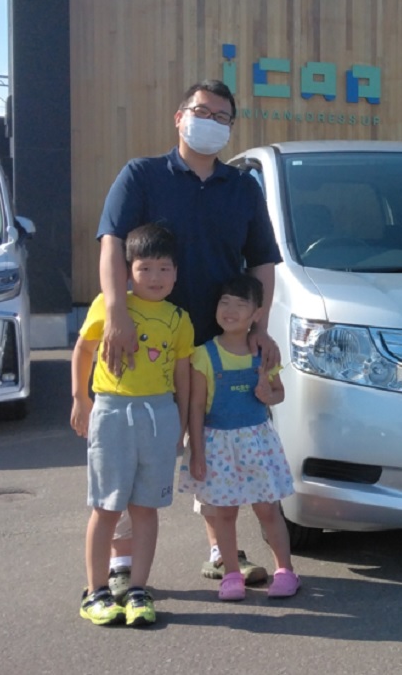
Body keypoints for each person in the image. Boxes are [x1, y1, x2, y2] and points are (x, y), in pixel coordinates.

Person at [96, 79, 282, 595]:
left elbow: (263, 263)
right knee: (135, 449)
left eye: (223, 117)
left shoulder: (243, 187)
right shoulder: (142, 175)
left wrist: (259, 327)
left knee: (214, 444)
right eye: (203, 112)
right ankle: (121, 562)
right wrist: (116, 313)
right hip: (146, 344)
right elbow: (112, 243)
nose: (212, 122)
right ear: (180, 117)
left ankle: (222, 552)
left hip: (217, 344)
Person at [70, 223, 194, 626]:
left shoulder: (180, 319)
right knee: (106, 507)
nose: (155, 277)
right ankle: (96, 592)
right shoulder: (109, 306)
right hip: (112, 412)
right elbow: (83, 350)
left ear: (176, 273)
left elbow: (182, 374)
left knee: (145, 508)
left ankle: (138, 589)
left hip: (159, 414)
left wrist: (181, 420)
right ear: (127, 271)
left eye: (164, 268)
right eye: (145, 268)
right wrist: (81, 398)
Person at [178, 273, 299, 601]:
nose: (229, 310)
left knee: (268, 510)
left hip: (257, 444)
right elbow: (196, 407)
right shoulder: (203, 354)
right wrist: (196, 452)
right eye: (225, 302)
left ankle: (285, 571)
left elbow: (279, 393)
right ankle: (231, 574)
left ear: (257, 313)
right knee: (224, 513)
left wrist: (268, 395)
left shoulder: (264, 353)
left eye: (240, 304)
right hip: (217, 445)